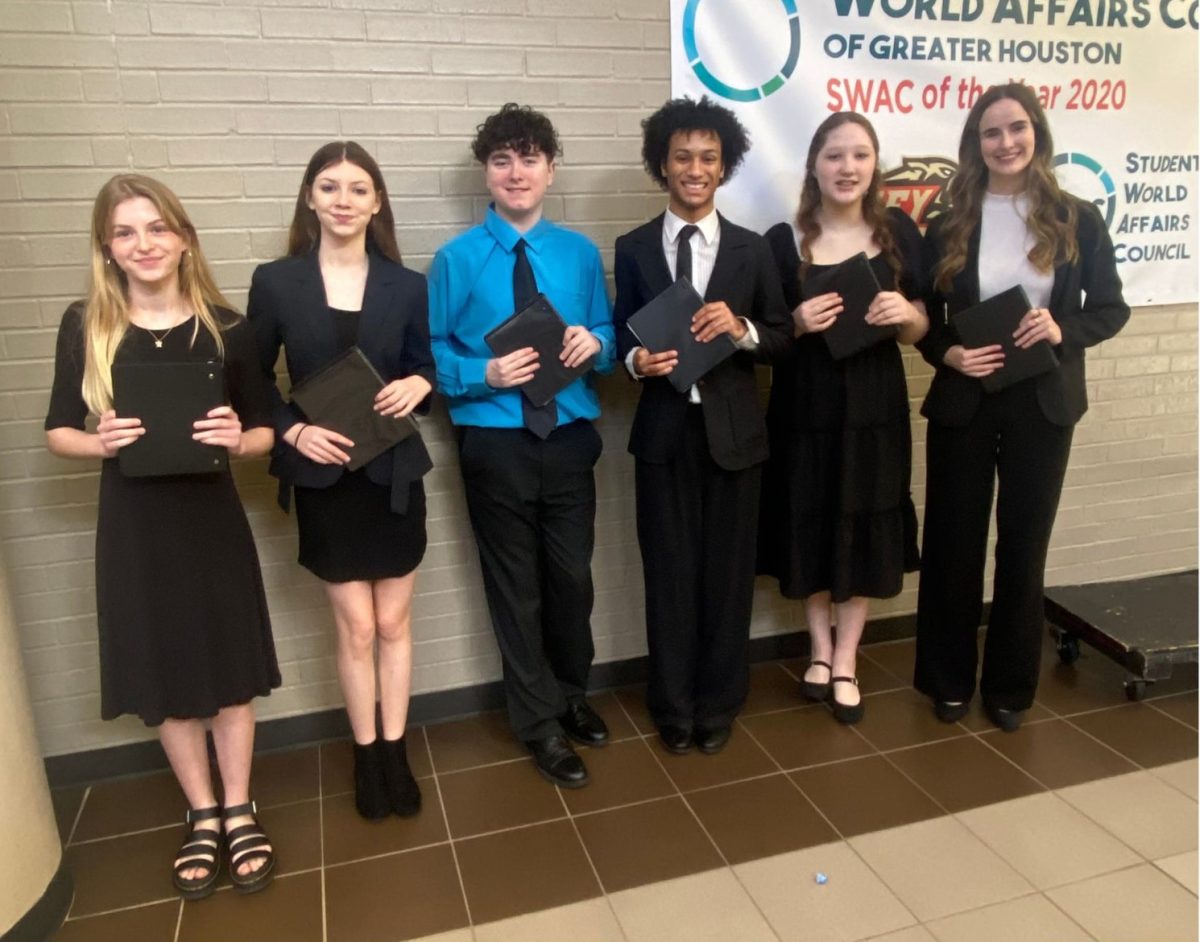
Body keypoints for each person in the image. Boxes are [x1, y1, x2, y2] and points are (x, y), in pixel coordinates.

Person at [45, 174, 279, 899]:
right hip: (134, 526)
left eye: (156, 228)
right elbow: (57, 432)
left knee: (230, 669)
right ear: (107, 248)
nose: (143, 244)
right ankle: (201, 812)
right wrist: (100, 442)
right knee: (165, 672)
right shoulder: (85, 325)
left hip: (211, 521)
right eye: (125, 232)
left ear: (182, 238)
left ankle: (239, 806)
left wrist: (241, 439)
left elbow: (269, 429)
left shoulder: (227, 328)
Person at [914, 82, 1130, 732]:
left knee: (1023, 545)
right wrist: (945, 354)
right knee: (953, 542)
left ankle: (1010, 688)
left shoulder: (1075, 217)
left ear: (1036, 132)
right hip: (966, 400)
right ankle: (947, 680)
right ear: (974, 144)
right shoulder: (948, 219)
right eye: (991, 132)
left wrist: (1064, 330)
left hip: (1044, 402)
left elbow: (1111, 308)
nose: (1006, 142)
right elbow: (925, 317)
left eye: (1017, 128)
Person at [428, 103, 616, 789]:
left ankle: (571, 693)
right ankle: (538, 723)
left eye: (529, 157)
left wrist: (597, 342)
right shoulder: (455, 260)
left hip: (568, 439)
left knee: (571, 582)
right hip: (496, 444)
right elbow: (430, 354)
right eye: (503, 159)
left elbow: (607, 331)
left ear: (551, 168)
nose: (516, 171)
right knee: (516, 590)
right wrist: (484, 373)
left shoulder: (580, 254)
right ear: (487, 170)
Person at [247, 142, 434, 817]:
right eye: (330, 187)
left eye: (358, 189)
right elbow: (252, 380)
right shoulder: (276, 281)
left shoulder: (407, 285)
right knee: (356, 625)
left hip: (393, 472)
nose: (344, 200)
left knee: (392, 621)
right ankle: (364, 754)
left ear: (376, 202)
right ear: (310, 198)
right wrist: (293, 429)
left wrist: (420, 380)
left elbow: (426, 367)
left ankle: (395, 748)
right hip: (325, 475)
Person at [614, 96, 791, 756]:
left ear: (725, 167)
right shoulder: (633, 247)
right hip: (662, 436)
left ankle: (719, 701)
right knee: (668, 574)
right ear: (663, 163)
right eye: (683, 156)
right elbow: (618, 333)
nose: (695, 169)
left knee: (726, 575)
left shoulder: (751, 249)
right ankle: (672, 702)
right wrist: (636, 359)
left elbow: (782, 338)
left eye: (708, 158)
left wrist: (741, 330)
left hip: (735, 439)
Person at [757, 112, 927, 725]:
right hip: (804, 408)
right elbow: (769, 334)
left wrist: (904, 313)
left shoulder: (901, 234)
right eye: (834, 155)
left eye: (859, 155)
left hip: (875, 409)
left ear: (874, 165)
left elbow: (923, 327)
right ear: (814, 165)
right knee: (811, 519)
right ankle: (819, 651)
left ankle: (849, 658)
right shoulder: (782, 242)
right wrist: (798, 323)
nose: (847, 167)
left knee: (861, 520)